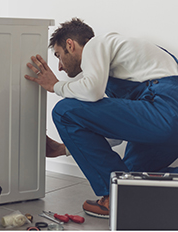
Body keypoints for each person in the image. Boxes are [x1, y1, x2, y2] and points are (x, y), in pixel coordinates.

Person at [24, 18, 178, 218]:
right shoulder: (120, 71)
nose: (60, 67)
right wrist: (64, 149)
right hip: (164, 125)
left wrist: (55, 86)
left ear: (70, 44)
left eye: (59, 56)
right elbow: (118, 134)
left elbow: (91, 92)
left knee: (65, 111)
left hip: (165, 109)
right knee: (126, 180)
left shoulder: (97, 43)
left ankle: (112, 197)